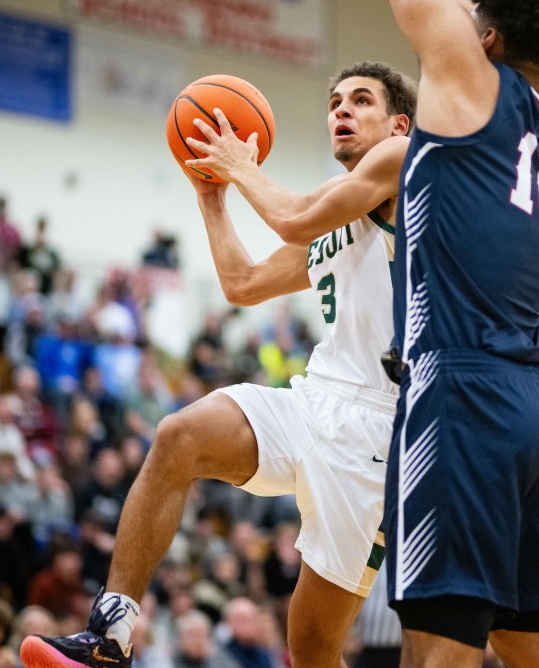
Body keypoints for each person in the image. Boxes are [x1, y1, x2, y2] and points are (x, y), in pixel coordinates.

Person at [21, 61, 416, 668]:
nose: (341, 109)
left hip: (377, 432)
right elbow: (243, 281)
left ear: (399, 124)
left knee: (311, 646)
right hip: (314, 400)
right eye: (334, 101)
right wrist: (212, 198)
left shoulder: (405, 168)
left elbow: (290, 216)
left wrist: (240, 165)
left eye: (360, 101)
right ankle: (111, 632)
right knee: (179, 435)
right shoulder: (336, 211)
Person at [357, 0, 539, 665]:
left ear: (484, 37)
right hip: (534, 412)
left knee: (439, 657)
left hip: (460, 399)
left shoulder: (465, 77)